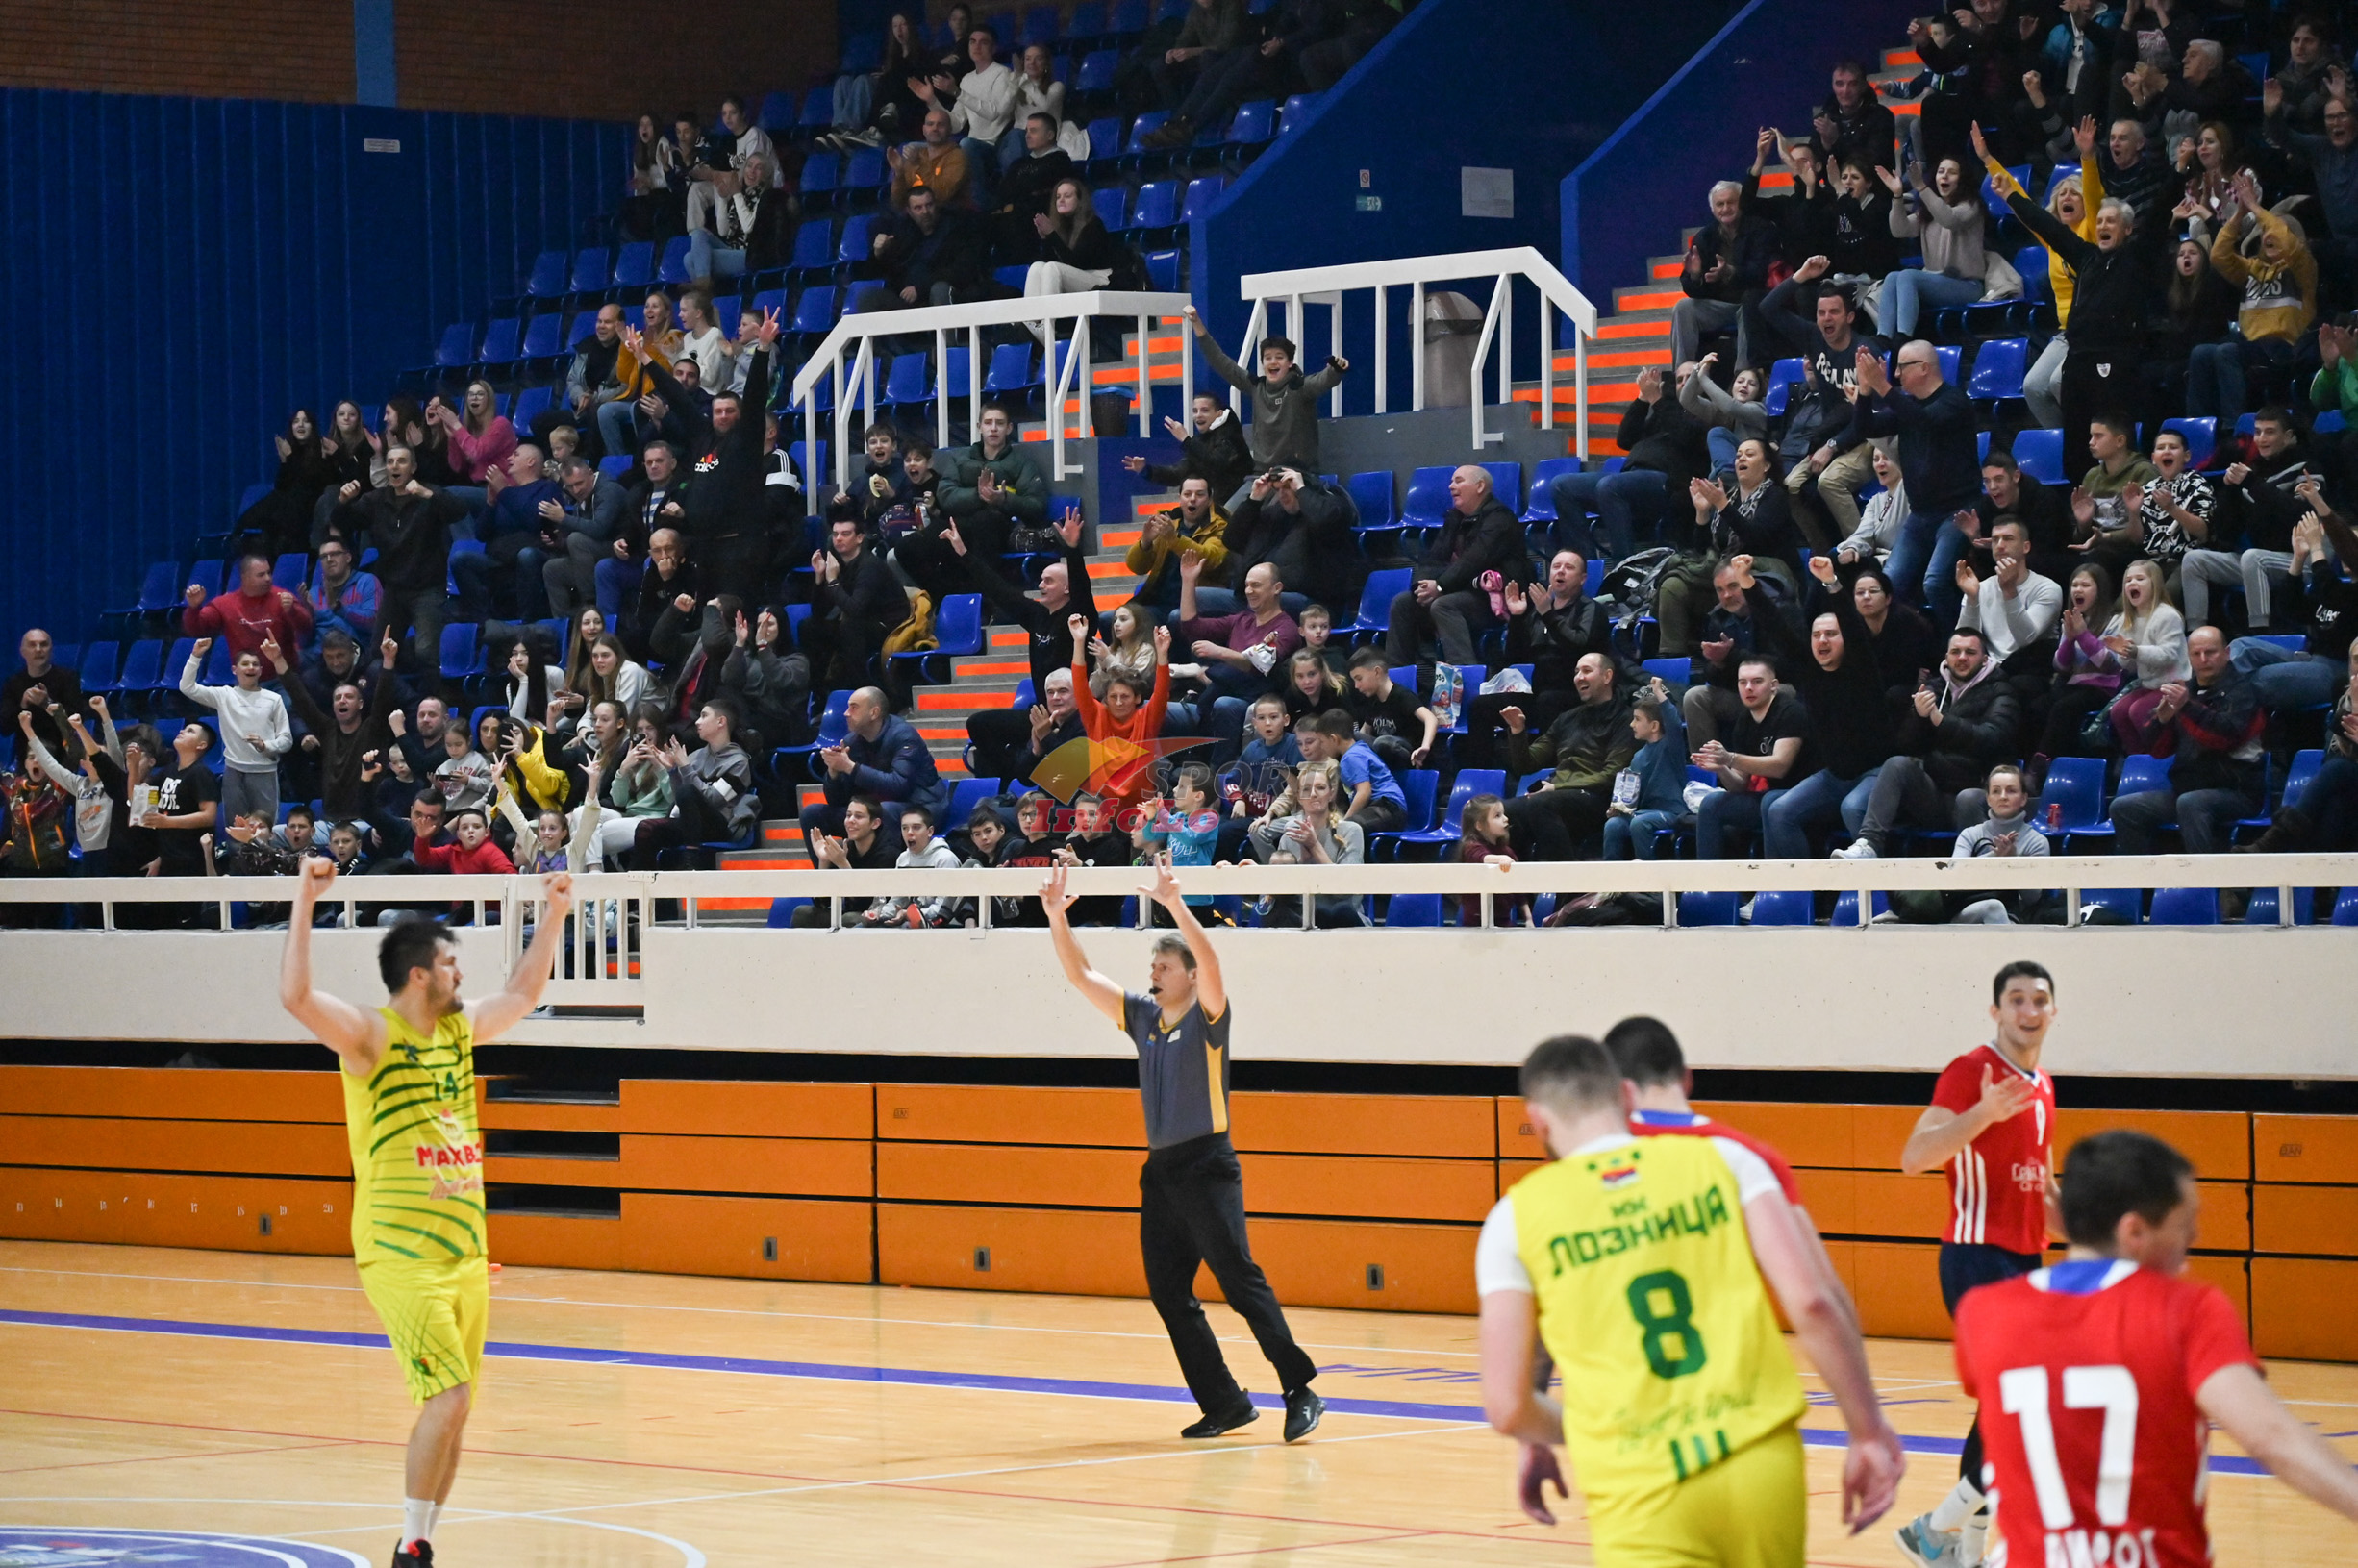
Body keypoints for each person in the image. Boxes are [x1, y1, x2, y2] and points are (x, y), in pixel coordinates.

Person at [1479, 1033, 1903, 1561]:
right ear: (1627, 1097)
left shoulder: (1514, 1219)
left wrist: (1571, 1433)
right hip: (1757, 1457)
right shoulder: (1725, 1160)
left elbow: (1507, 1405)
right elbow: (1814, 1302)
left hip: (1636, 1482)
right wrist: (1867, 1431)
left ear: (1537, 1121)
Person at [279, 859, 575, 1566]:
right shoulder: (370, 1036)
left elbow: (523, 993)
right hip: (400, 1254)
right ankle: (410, 1546)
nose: (460, 974)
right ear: (418, 975)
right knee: (447, 1397)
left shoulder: (458, 1030)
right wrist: (305, 898)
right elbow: (296, 996)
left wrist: (556, 913)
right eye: (449, 964)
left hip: (465, 1254)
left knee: (458, 1407)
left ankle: (422, 1543)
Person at [1955, 1129, 2358, 1568]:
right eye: (2185, 1224)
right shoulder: (2188, 1310)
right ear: (2134, 1231)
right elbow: (2271, 1437)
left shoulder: (1981, 1314)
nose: (2195, 1237)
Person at [1041, 857, 1324, 1443]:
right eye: (1153, 966)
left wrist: (1174, 904)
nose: (1154, 974)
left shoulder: (1209, 1016)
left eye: (1165, 966)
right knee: (1169, 1291)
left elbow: (1213, 961)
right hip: (1163, 1173)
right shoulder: (1143, 1017)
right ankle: (1226, 1403)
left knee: (1239, 1280)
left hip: (1208, 1165)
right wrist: (1055, 919)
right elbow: (1081, 975)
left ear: (1190, 977)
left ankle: (1300, 1389)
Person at [1893, 960, 2060, 1568]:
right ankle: (1934, 1531)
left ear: (2053, 1012)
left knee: (2001, 1408)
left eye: (2038, 1000)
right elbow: (1914, 1156)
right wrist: (1982, 1115)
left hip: (2026, 1260)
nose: (2028, 1010)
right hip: (1976, 1257)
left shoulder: (2044, 1085)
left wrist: (2114, 1241)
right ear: (1995, 1011)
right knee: (2025, 1401)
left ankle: (1964, 1549)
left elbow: (2044, 1193)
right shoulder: (1971, 1073)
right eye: (2016, 999)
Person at [1836, 628, 2020, 859]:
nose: (1962, 657)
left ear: (1985, 659)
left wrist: (1940, 721)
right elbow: (1907, 745)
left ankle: (1982, 863)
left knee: (1967, 798)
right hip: (1934, 793)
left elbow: (1993, 738)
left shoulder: (2001, 690)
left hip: (1977, 792)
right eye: (1956, 651)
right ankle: (1869, 845)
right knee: (1897, 764)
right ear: (1946, 657)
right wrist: (1919, 718)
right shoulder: (1933, 688)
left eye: (1970, 652)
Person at [635, 308, 777, 595]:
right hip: (704, 546)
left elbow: (755, 395)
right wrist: (645, 359)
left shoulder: (746, 439)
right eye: (718, 411)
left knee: (730, 613)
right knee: (704, 614)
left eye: (729, 411)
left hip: (739, 547)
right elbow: (677, 396)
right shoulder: (703, 436)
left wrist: (762, 349)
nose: (723, 416)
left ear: (739, 415)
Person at [1851, 340, 1985, 616]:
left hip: (1957, 511)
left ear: (1924, 368)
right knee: (1888, 584)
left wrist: (1882, 386)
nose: (1896, 374)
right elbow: (1866, 427)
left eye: (1902, 367)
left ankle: (1960, 638)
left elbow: (1925, 422)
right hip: (1921, 514)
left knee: (1934, 583)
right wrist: (1865, 390)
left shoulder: (1954, 401)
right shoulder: (1909, 407)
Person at [2110, 624, 2266, 858]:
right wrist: (2161, 722)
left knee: (2190, 803)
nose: (2203, 659)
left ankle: (2203, 877)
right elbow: (2158, 751)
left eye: (2210, 652)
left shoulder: (2244, 691)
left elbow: (2225, 737)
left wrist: (2187, 708)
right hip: (2189, 789)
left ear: (2227, 653)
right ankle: (2144, 878)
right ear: (2189, 657)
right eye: (2196, 653)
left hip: (2237, 792)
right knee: (2123, 808)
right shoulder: (2186, 692)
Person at [2190, 174, 2319, 422]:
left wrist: (2256, 207)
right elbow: (2218, 256)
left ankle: (2234, 427)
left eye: (2275, 231)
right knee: (2200, 353)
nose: (2268, 235)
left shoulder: (2303, 269)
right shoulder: (2252, 268)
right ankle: (2199, 427)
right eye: (2265, 232)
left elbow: (2290, 245)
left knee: (2226, 351)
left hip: (2283, 348)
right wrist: (2240, 214)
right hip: (2248, 345)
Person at [1182, 304, 1348, 494]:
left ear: (1290, 363)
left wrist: (1336, 370)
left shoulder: (1300, 387)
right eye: (1268, 358)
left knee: (1276, 510)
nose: (1273, 361)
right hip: (1261, 475)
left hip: (1298, 474)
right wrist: (1197, 322)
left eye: (1279, 357)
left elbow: (1324, 380)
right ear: (1262, 363)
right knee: (1231, 511)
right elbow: (1220, 361)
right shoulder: (1256, 387)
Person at [1383, 465, 1529, 668]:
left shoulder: (1500, 518)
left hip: (1496, 601)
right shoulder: (1454, 518)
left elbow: (1474, 561)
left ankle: (1465, 676)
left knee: (1444, 605)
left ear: (1480, 486)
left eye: (1458, 481)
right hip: (1458, 591)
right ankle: (1397, 679)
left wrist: (1440, 586)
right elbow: (1432, 560)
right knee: (1403, 603)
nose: (1451, 486)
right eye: (1451, 482)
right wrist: (1422, 586)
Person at [1692, 655, 1813, 860]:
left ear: (1774, 685)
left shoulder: (1790, 711)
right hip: (1771, 796)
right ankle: (1709, 878)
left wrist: (1730, 758)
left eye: (1757, 681)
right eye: (1742, 682)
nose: (1748, 688)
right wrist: (1721, 767)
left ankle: (1775, 879)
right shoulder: (1744, 722)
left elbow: (1780, 766)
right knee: (1711, 803)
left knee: (1771, 801)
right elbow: (1739, 785)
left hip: (1804, 794)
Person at [801, 686, 948, 854]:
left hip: (921, 807)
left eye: (854, 707)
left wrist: (850, 767)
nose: (846, 713)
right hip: (875, 810)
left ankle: (885, 867)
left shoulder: (904, 736)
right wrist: (834, 772)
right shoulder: (852, 741)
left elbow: (898, 786)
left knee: (883, 811)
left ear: (874, 713)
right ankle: (828, 868)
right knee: (812, 814)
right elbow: (837, 800)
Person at [179, 638, 292, 825]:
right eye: (245, 664)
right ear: (234, 669)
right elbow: (187, 687)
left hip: (264, 771)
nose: (250, 668)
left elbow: (286, 739)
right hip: (233, 771)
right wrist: (196, 656)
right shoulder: (224, 695)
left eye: (255, 664)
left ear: (260, 671)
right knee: (235, 828)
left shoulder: (274, 699)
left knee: (264, 827)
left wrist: (265, 745)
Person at [1878, 157, 1991, 337]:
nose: (1945, 176)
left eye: (1952, 172)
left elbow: (1949, 219)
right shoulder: (1928, 211)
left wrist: (1922, 188)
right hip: (1937, 280)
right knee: (1892, 277)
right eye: (1941, 172)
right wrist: (1897, 196)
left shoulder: (1971, 205)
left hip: (1968, 286)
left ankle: (1903, 337)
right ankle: (1883, 338)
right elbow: (1899, 230)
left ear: (1962, 179)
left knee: (1907, 275)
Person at [1670, 180, 1775, 370]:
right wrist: (1696, 276)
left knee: (1749, 303)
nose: (1726, 208)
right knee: (1683, 307)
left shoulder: (1760, 229)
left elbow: (1760, 274)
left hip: (1751, 302)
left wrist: (1730, 272)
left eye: (1731, 202)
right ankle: (1683, 374)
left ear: (1740, 203)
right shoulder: (1705, 237)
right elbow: (1693, 289)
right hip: (1720, 306)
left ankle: (1743, 376)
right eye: (1720, 204)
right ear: (1713, 210)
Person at [1120, 391, 1254, 508]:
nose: (1198, 415)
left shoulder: (1231, 435)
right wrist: (1146, 470)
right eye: (1195, 411)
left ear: (1219, 414)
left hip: (1245, 490)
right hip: (1221, 498)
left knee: (1222, 519)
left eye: (1205, 410)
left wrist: (1186, 440)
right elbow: (1178, 473)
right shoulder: (1199, 442)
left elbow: (1217, 463)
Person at [183, 552, 315, 666]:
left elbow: (306, 628)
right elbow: (197, 630)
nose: (268, 578)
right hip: (247, 678)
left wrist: (292, 612)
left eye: (269, 573)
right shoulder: (225, 604)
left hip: (284, 677)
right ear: (245, 578)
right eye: (261, 575)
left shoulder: (283, 598)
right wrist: (193, 608)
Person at [869, 183, 990, 308]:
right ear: (909, 211)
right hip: (908, 301)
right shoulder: (903, 232)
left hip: (949, 293)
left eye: (929, 205)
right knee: (869, 297)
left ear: (936, 204)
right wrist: (878, 253)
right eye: (918, 208)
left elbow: (963, 270)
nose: (925, 212)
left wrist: (921, 288)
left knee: (939, 289)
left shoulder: (957, 228)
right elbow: (884, 272)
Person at [1125, 476, 1229, 611]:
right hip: (1158, 600)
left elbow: (1210, 558)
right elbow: (1137, 568)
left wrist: (1174, 538)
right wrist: (1145, 542)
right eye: (1187, 494)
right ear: (1180, 498)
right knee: (1108, 618)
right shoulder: (1166, 522)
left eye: (1200, 494)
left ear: (1210, 500)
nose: (1193, 499)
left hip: (1195, 604)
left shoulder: (1220, 526)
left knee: (1175, 616)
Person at [6, 628, 89, 759]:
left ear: (51, 650)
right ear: (22, 651)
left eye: (44, 644)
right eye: (32, 645)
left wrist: (47, 704)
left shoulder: (68, 678)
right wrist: (22, 706)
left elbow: (76, 720)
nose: (38, 649)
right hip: (27, 756)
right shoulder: (13, 682)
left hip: (61, 755)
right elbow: (5, 728)